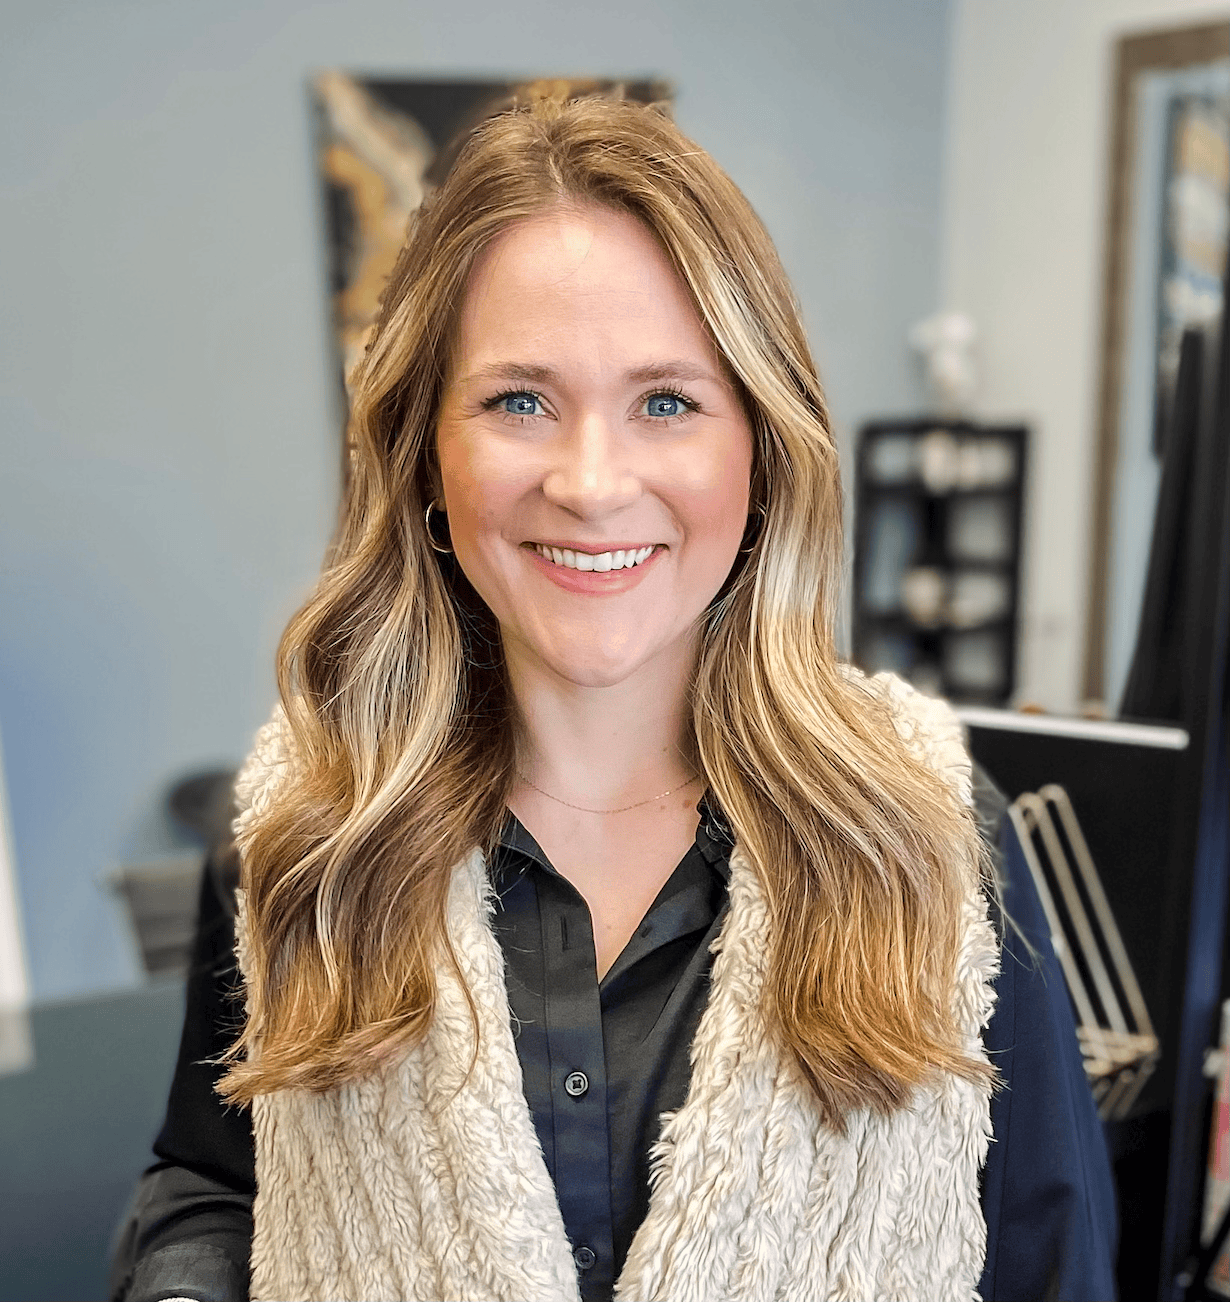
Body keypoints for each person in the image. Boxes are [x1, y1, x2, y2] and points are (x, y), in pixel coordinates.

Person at [110, 89, 1117, 1302]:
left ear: (761, 446)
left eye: (667, 402)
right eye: (519, 400)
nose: (591, 483)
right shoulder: (310, 831)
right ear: (427, 445)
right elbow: (218, 1183)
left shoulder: (936, 846)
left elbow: (1054, 1270)